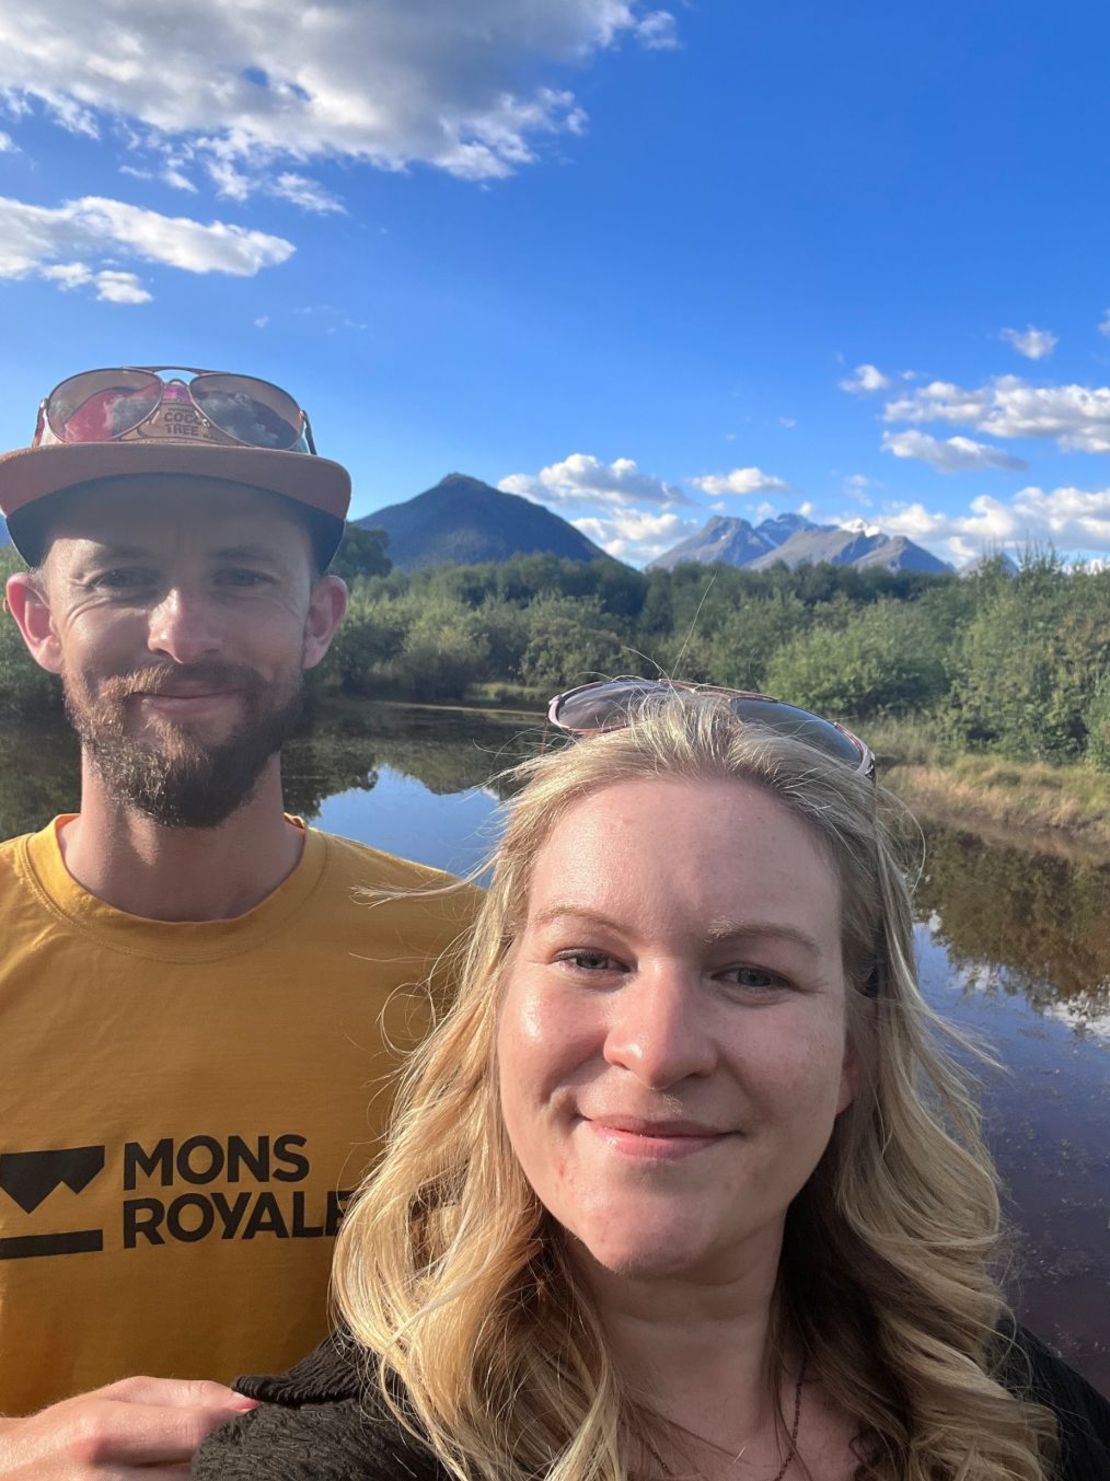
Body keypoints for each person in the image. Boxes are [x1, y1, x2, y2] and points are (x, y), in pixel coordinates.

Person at [195, 681, 1109, 1481]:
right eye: (592, 957)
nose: (659, 1049)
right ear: (492, 1014)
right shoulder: (348, 1453)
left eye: (753, 973)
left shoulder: (999, 1398)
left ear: (852, 1051)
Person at [0, 367, 477, 1472]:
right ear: (36, 620)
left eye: (242, 575)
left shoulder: (475, 959)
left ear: (318, 619)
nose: (183, 631)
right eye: (121, 576)